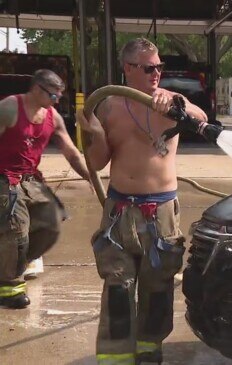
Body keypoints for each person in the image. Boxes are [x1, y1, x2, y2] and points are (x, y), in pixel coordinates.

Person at [76, 37, 210, 365]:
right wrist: (95, 132)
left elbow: (202, 117)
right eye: (149, 68)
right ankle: (116, 357)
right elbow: (96, 163)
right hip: (120, 213)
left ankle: (150, 350)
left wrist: (177, 104)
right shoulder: (109, 106)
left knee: (158, 287)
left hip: (161, 213)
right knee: (118, 289)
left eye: (159, 67)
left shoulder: (172, 101)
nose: (156, 73)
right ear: (128, 69)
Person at [0, 69, 90, 309]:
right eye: (53, 96)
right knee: (17, 228)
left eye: (59, 96)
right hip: (4, 178)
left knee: (51, 224)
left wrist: (90, 177)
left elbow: (71, 152)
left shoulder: (53, 117)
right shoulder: (10, 107)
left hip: (31, 179)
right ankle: (9, 287)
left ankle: (11, 263)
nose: (57, 101)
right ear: (37, 89)